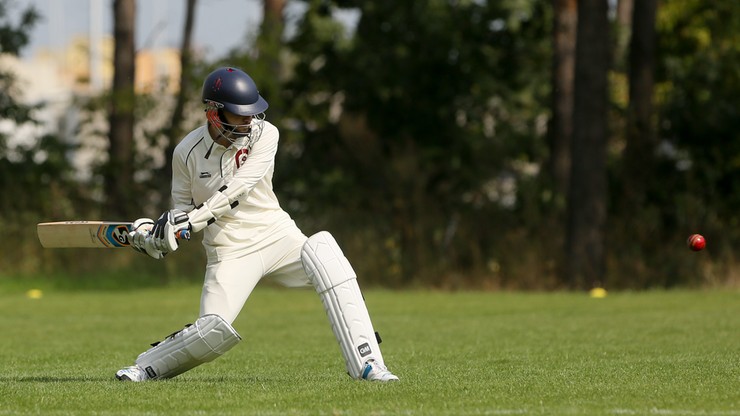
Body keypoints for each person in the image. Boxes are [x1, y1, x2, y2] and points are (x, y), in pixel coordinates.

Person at [114, 66, 398, 382]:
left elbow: (239, 188)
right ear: (214, 113)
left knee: (326, 254)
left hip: (277, 234)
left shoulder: (266, 134)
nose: (249, 121)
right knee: (212, 331)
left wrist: (191, 221)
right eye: (240, 115)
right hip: (228, 249)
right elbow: (181, 211)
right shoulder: (186, 152)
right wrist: (160, 236)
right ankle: (142, 368)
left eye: (252, 113)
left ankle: (369, 366)